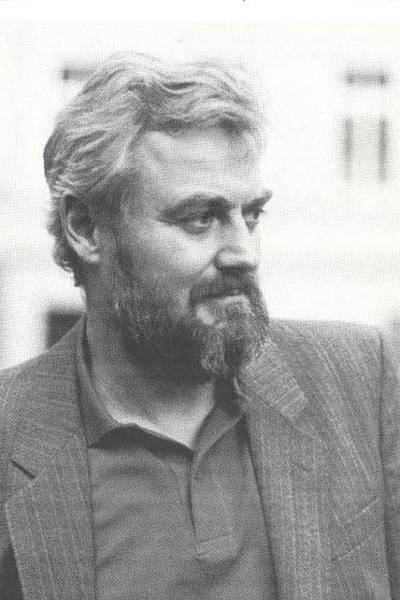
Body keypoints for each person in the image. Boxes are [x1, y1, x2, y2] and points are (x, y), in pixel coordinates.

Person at [0, 52, 399, 600]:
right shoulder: (11, 433)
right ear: (86, 227)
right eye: (200, 219)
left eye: (251, 215)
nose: (243, 253)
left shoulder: (362, 383)